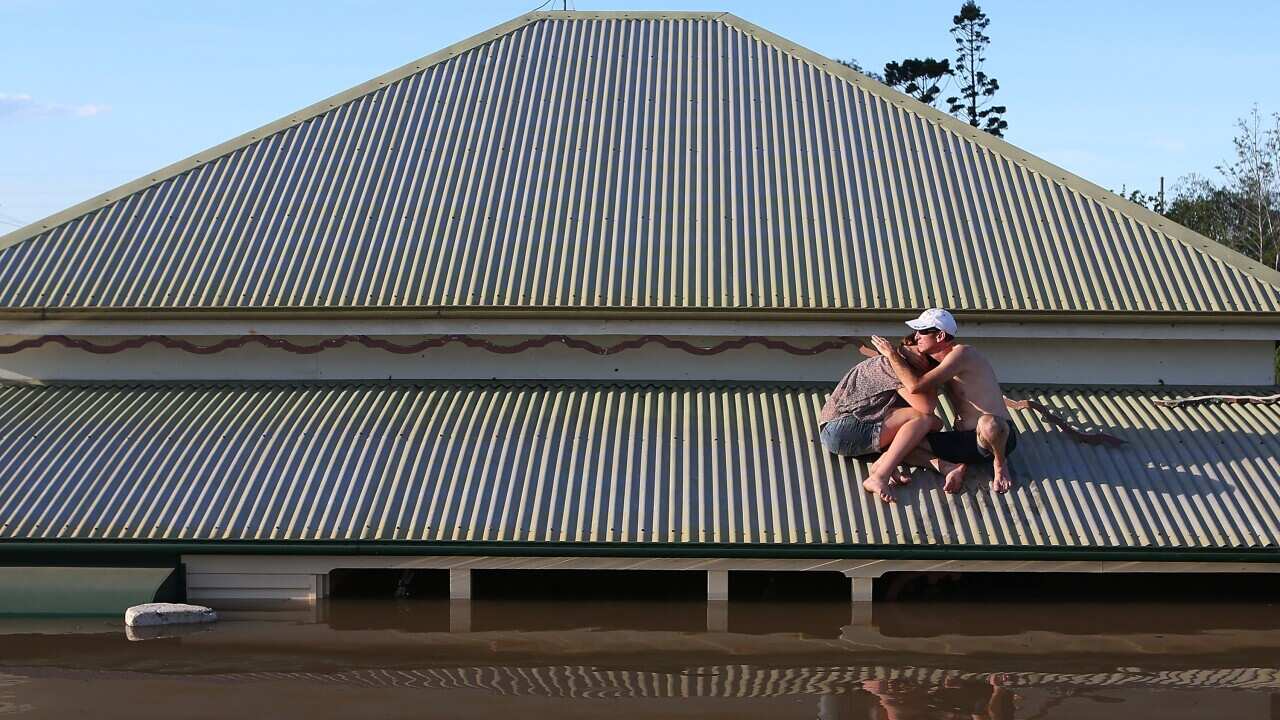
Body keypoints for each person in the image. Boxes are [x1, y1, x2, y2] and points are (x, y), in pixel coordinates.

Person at [870, 308, 1018, 493]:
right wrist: (905, 354)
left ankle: (1000, 465)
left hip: (997, 437)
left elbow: (916, 386)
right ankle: (950, 468)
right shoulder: (938, 365)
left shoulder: (962, 354)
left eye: (923, 331)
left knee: (989, 423)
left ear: (940, 336)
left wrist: (891, 355)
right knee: (901, 443)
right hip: (966, 441)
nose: (917, 337)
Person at [819, 337, 965, 503]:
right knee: (923, 419)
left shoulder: (903, 366)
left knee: (923, 429)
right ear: (908, 344)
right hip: (842, 427)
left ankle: (944, 467)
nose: (924, 359)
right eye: (921, 352)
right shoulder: (891, 364)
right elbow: (926, 407)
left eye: (930, 358)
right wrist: (926, 374)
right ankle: (880, 475)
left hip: (855, 429)